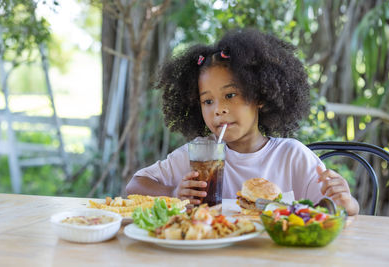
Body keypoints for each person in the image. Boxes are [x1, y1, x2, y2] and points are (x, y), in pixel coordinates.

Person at [126, 28, 359, 216]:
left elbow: (336, 208)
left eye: (230, 95)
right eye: (207, 101)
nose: (218, 110)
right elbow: (134, 186)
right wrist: (173, 192)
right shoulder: (200, 154)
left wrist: (347, 202)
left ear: (258, 96)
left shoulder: (291, 156)